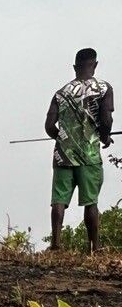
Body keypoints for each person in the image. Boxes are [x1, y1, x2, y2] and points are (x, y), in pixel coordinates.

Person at [45, 48, 114, 253]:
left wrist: (62, 138)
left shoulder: (61, 93)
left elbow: (49, 125)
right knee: (91, 202)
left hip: (63, 155)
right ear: (95, 65)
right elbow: (106, 119)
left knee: (59, 200)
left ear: (75, 67)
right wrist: (104, 136)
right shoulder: (103, 88)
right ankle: (94, 247)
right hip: (89, 155)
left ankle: (56, 244)